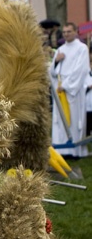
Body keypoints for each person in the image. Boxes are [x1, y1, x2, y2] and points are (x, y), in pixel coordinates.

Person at [49, 22, 90, 158]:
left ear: (75, 32)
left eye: (69, 31)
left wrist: (66, 85)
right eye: (65, 32)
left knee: (73, 118)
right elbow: (52, 72)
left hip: (73, 90)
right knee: (60, 120)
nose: (66, 34)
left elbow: (81, 70)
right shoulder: (60, 49)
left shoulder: (82, 48)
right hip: (60, 89)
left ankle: (74, 151)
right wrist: (56, 61)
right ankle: (62, 150)